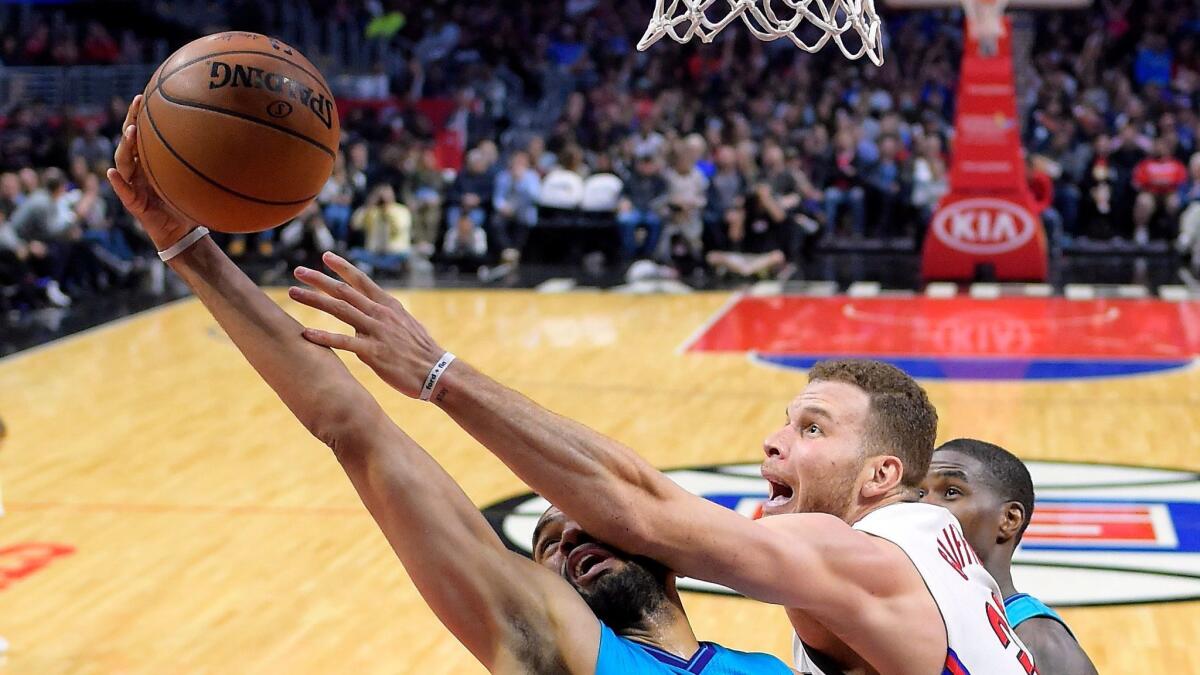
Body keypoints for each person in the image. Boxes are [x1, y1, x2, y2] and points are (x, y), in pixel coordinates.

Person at [106, 95, 793, 675]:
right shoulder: (557, 643)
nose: (563, 533)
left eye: (579, 519)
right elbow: (353, 426)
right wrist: (187, 246)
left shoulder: (775, 666)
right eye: (547, 543)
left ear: (666, 550)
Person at [292, 272, 1041, 674]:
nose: (774, 444)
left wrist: (437, 373)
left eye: (811, 427)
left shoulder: (868, 556)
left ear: (881, 474)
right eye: (785, 421)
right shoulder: (936, 554)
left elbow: (637, 505)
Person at [919, 439, 1099, 675]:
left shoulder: (1042, 643)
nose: (922, 506)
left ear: (1009, 519)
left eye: (951, 492)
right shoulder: (916, 613)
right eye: (919, 492)